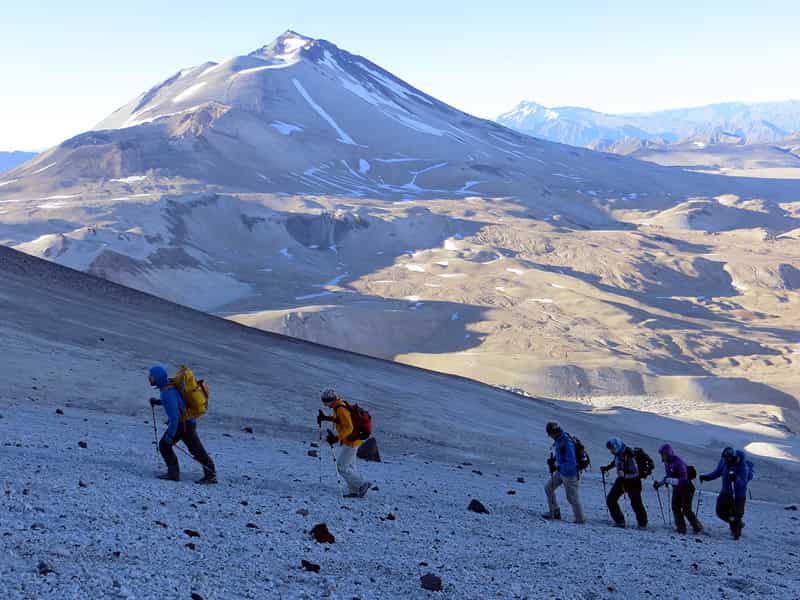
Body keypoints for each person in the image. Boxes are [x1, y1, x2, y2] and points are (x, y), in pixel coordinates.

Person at [148, 366, 217, 484]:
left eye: (152, 376)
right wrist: (158, 402)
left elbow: (174, 418)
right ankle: (174, 473)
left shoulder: (167, 392)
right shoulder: (169, 386)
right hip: (186, 423)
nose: (149, 378)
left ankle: (209, 474)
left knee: (173, 446)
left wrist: (170, 436)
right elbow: (176, 403)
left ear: (158, 378)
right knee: (190, 449)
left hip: (184, 425)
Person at [317, 388, 371, 498]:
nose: (325, 404)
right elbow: (340, 420)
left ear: (330, 400)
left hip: (352, 441)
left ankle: (362, 484)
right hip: (351, 440)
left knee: (341, 467)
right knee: (350, 466)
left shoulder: (340, 408)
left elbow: (349, 427)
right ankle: (354, 491)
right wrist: (326, 418)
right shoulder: (338, 405)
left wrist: (337, 438)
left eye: (325, 401)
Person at [699, 447, 754, 540]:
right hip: (725, 492)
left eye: (727, 459)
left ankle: (736, 534)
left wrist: (735, 478)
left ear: (733, 457)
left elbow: (743, 483)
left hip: (738, 495)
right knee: (720, 512)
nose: (725, 460)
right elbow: (718, 472)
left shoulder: (742, 466)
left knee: (736, 514)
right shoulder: (724, 461)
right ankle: (737, 523)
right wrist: (707, 477)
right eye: (724, 458)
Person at [653, 444, 703, 534]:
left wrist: (671, 481)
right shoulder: (667, 463)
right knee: (675, 507)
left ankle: (698, 528)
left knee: (686, 510)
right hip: (677, 489)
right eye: (661, 454)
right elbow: (668, 477)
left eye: (663, 454)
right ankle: (681, 528)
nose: (662, 456)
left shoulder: (678, 462)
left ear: (668, 453)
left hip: (687, 488)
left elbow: (684, 478)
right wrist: (659, 484)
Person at [542, 422, 586, 523]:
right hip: (561, 472)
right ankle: (555, 512)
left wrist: (557, 466)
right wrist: (554, 460)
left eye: (549, 434)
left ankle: (580, 519)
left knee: (572, 497)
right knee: (548, 488)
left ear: (552, 433)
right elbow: (561, 454)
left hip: (570, 474)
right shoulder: (559, 439)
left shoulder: (566, 442)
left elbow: (571, 462)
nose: (549, 436)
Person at [600, 437, 648, 529]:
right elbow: (616, 462)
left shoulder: (629, 454)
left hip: (633, 481)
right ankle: (620, 521)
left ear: (616, 446)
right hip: (622, 480)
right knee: (611, 499)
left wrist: (624, 475)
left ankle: (642, 524)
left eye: (612, 448)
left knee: (636, 503)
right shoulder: (619, 453)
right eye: (610, 449)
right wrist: (607, 468)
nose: (611, 451)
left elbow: (635, 472)